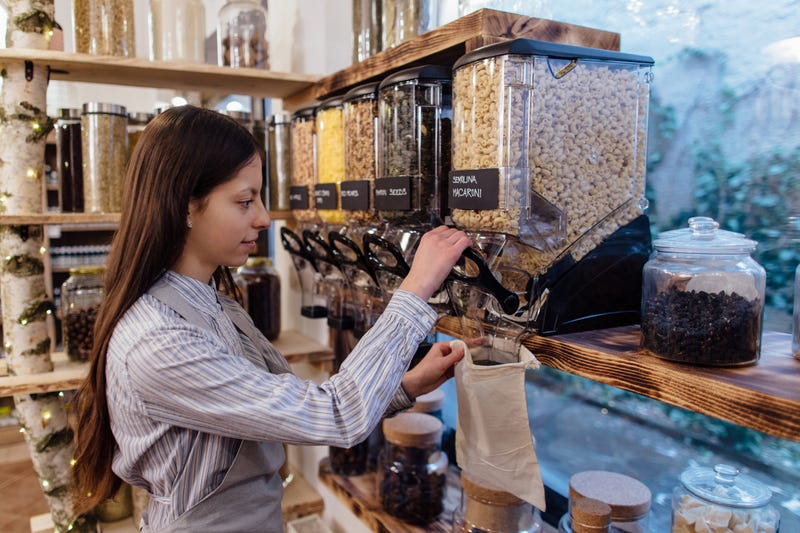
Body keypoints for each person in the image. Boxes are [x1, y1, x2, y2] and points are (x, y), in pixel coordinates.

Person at [71, 105, 472, 532]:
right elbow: (337, 415)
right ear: (186, 206)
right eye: (245, 201)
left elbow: (286, 404)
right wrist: (416, 287)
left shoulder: (210, 300)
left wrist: (403, 385)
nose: (263, 218)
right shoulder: (158, 339)